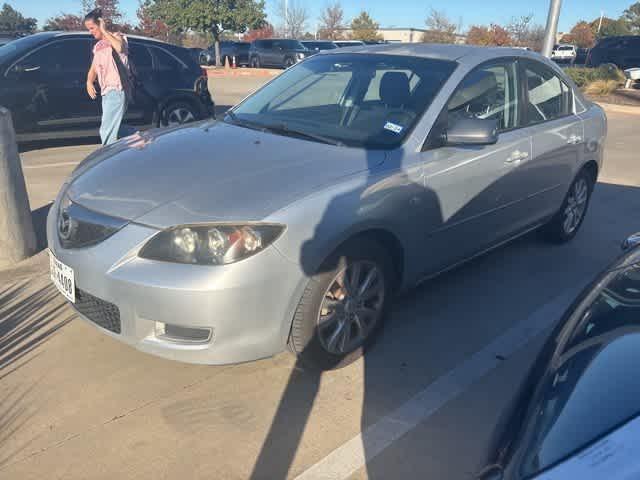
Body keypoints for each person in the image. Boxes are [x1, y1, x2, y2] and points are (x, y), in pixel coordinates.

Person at [84, 9, 129, 146]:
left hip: (117, 89)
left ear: (100, 24)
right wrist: (89, 81)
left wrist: (104, 31)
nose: (90, 31)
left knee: (106, 130)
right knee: (115, 128)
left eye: (92, 28)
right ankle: (139, 139)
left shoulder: (118, 37)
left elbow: (119, 48)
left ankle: (106, 159)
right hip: (106, 92)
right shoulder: (97, 46)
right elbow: (93, 69)